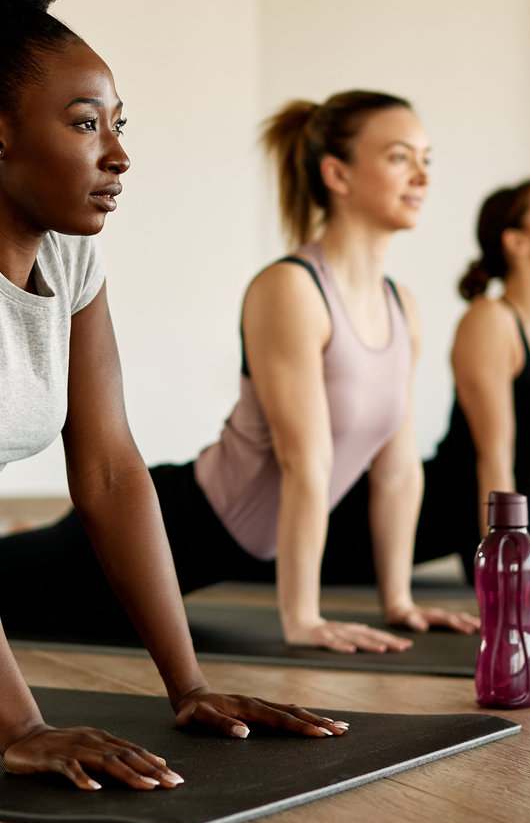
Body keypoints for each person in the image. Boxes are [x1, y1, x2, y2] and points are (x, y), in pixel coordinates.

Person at [0, 0, 344, 793]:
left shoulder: (73, 264)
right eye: (85, 123)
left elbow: (112, 470)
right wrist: (21, 724)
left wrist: (187, 685)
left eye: (120, 124)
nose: (117, 155)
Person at [0, 86, 477, 656]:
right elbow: (306, 460)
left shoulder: (403, 307)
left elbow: (398, 469)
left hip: (239, 551)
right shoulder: (293, 289)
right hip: (182, 523)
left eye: (426, 160)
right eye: (400, 157)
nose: (421, 176)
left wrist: (398, 601)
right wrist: (303, 619)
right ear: (338, 175)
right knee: (17, 584)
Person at [328, 178, 530, 598]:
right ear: (516, 242)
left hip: (475, 528)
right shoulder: (489, 321)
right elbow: (495, 456)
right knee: (266, 555)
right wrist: (504, 568)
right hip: (410, 520)